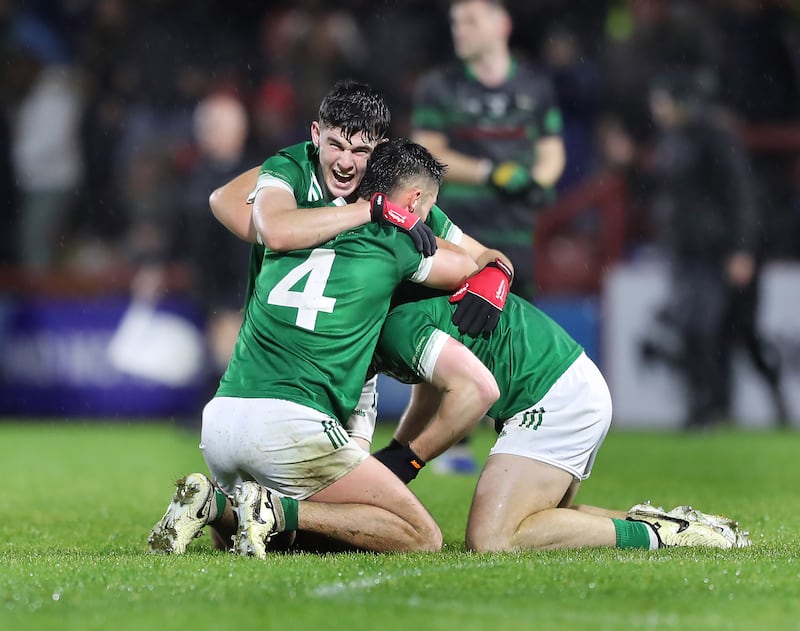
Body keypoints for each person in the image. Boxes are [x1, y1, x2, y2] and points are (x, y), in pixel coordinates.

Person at [149, 133, 480, 558]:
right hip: (295, 422)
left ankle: (214, 506)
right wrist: (413, 221)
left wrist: (294, 163)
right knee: (418, 536)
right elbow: (466, 265)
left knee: (284, 539)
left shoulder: (280, 227)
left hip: (221, 419)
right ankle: (277, 509)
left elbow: (223, 199)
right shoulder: (388, 237)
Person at [368, 291, 752, 551]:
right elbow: (434, 387)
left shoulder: (394, 324)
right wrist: (397, 451)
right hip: (567, 384)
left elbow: (472, 394)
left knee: (493, 539)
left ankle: (659, 537)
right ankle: (680, 527)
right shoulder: (403, 306)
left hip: (553, 398)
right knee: (540, 522)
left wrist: (409, 460)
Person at [410, 0, 566, 473]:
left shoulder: (534, 86)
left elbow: (551, 151)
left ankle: (513, 436)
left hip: (517, 235)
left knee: (517, 332)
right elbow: (428, 151)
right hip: (460, 234)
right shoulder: (439, 86)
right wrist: (493, 172)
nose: (459, 28)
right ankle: (449, 441)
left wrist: (537, 179)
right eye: (455, 21)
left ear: (502, 25)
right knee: (451, 328)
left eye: (470, 20)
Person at [640, 71, 786, 429]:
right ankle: (707, 406)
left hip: (717, 252)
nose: (656, 107)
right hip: (687, 251)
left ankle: (713, 406)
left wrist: (741, 249)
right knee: (701, 329)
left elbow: (741, 195)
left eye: (662, 99)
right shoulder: (673, 139)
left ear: (680, 101)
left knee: (721, 332)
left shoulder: (717, 137)